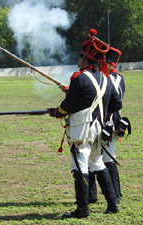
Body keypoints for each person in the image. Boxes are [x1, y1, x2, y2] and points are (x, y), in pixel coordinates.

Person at [50, 29, 122, 219]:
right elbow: (117, 104)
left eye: (81, 56)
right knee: (97, 163)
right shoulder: (106, 80)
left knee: (80, 167)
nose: (79, 60)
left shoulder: (79, 78)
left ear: (86, 58)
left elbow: (67, 106)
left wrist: (57, 112)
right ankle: (113, 203)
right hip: (99, 129)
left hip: (81, 130)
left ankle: (82, 210)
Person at [88, 47, 126, 203]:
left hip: (106, 121)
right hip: (111, 121)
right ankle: (113, 194)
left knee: (99, 159)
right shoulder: (117, 78)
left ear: (109, 63)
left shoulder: (107, 78)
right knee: (105, 157)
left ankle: (97, 196)